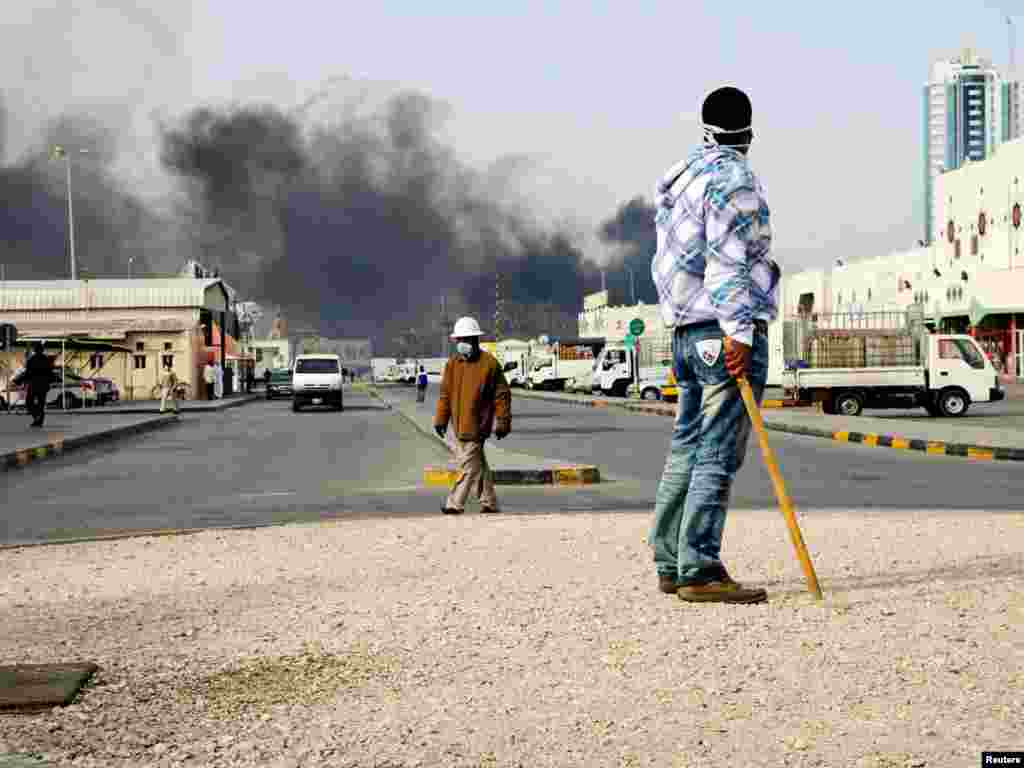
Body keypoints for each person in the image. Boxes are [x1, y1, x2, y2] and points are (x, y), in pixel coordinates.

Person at [647, 86, 780, 605]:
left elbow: (667, 261)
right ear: (747, 132)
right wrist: (739, 333)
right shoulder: (733, 177)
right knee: (718, 452)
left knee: (687, 446)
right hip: (719, 328)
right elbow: (728, 261)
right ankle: (699, 567)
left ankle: (670, 560)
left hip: (684, 332)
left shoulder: (681, 178)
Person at [434, 317, 511, 515]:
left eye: (465, 339)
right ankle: (489, 502)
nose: (461, 344)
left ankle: (454, 503)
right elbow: (445, 394)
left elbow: (502, 395)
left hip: (478, 425)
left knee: (467, 466)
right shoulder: (452, 365)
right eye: (459, 340)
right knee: (478, 465)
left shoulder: (489, 364)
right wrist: (441, 419)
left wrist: (502, 421)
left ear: (475, 340)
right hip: (459, 425)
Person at [12, 342, 55, 428]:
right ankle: (39, 421)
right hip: (43, 386)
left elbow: (28, 373)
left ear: (35, 350)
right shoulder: (46, 360)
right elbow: (50, 373)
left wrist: (18, 381)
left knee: (29, 402)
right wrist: (50, 383)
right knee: (41, 404)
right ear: (42, 350)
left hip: (34, 385)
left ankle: (36, 417)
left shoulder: (32, 360)